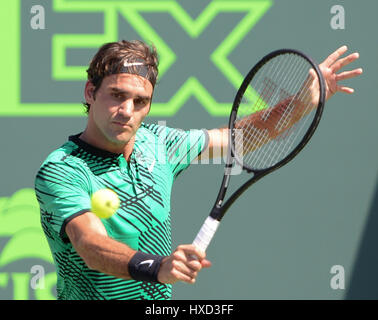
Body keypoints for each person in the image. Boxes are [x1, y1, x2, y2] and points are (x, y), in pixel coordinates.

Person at [34, 40, 362, 300]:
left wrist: (302, 102)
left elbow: (240, 139)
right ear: (90, 92)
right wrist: (158, 266)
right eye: (117, 95)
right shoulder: (63, 170)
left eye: (140, 101)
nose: (127, 111)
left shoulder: (159, 144)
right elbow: (90, 245)